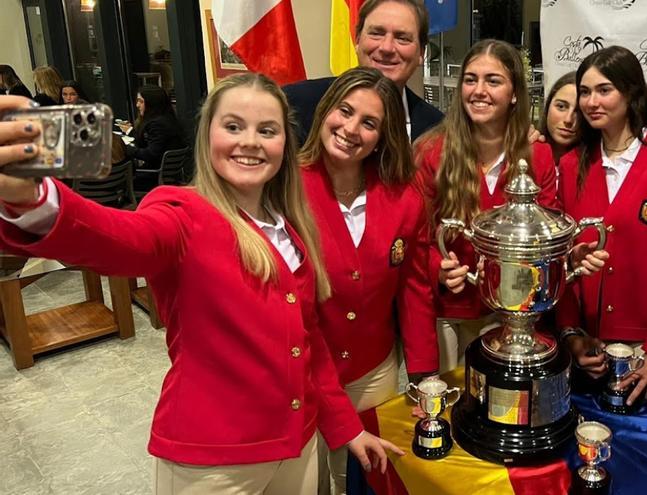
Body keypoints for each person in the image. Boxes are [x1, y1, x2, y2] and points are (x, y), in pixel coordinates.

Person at [0, 77, 404, 494]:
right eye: (233, 127)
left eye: (267, 130)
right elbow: (118, 237)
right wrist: (33, 203)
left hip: (296, 447)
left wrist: (345, 428)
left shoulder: (289, 227)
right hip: (215, 460)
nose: (250, 142)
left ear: (285, 144)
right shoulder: (180, 212)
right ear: (206, 134)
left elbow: (309, 340)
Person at [297, 67, 437, 494]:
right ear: (325, 111)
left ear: (384, 135)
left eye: (369, 122)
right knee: (311, 483)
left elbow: (414, 293)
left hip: (372, 373)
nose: (351, 129)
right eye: (344, 111)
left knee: (363, 481)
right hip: (300, 375)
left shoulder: (404, 198)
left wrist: (423, 377)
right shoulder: (283, 188)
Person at [556, 46, 647, 408]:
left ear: (631, 92)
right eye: (585, 92)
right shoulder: (573, 164)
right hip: (586, 345)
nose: (591, 101)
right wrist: (571, 334)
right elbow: (560, 258)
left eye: (604, 90)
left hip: (645, 347)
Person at [414, 39, 558, 373]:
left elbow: (545, 238)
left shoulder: (539, 155)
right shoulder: (431, 153)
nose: (479, 90)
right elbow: (416, 235)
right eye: (470, 79)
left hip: (514, 315)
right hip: (449, 311)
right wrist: (438, 265)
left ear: (514, 94)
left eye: (493, 81)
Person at [284, 0, 442, 144]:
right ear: (357, 40)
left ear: (421, 53)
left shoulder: (438, 129)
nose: (386, 48)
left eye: (402, 38)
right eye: (376, 33)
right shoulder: (296, 105)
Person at [125, 84, 187, 191]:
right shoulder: (169, 119)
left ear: (151, 102)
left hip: (153, 177)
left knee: (121, 181)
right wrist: (131, 132)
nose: (137, 105)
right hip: (170, 176)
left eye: (141, 101)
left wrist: (127, 149)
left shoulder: (156, 124)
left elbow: (151, 154)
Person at [537, 71, 579, 182]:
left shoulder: (597, 165)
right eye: (561, 106)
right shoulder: (528, 151)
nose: (568, 120)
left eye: (579, 112)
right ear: (548, 105)